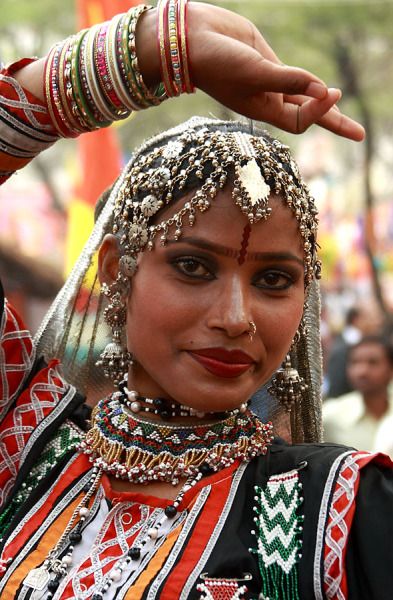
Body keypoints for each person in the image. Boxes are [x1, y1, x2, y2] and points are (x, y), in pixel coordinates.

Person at [0, 2, 392, 599]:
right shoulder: (24, 440)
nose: (236, 318)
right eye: (192, 266)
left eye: (274, 281)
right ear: (116, 272)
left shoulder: (338, 513)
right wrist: (152, 48)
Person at [323, 335, 393, 452]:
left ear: (390, 369)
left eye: (373, 362)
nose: (362, 371)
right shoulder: (330, 416)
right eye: (355, 362)